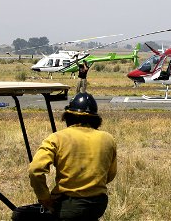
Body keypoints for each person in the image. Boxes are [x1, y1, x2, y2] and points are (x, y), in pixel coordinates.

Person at [28, 93, 117, 221]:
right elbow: (110, 175)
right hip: (98, 204)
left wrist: (44, 198)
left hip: (69, 206)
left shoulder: (57, 138)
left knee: (19, 215)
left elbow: (35, 170)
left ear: (68, 117)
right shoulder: (108, 139)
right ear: (95, 119)